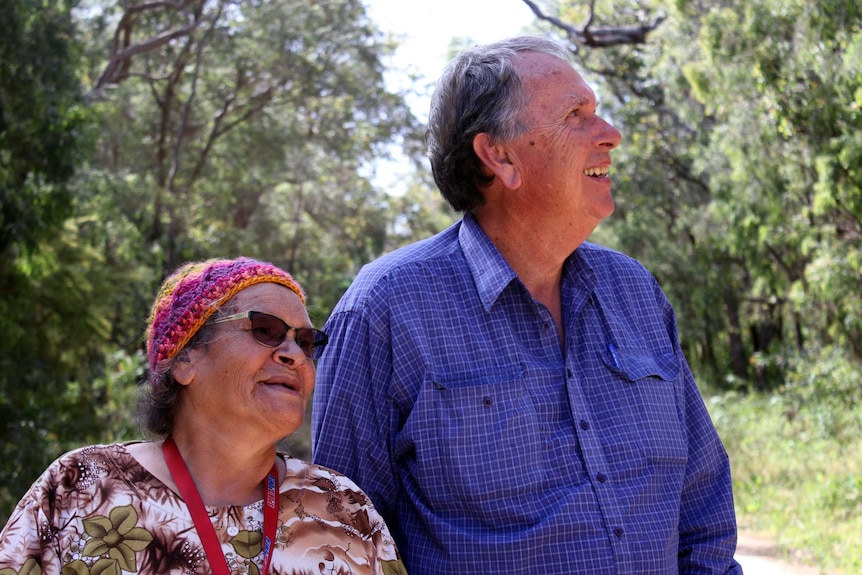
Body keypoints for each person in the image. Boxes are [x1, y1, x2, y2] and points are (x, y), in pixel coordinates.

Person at [311, 35, 742, 574]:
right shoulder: (385, 310)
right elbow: (345, 547)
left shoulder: (634, 292)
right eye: (576, 114)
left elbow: (702, 505)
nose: (611, 134)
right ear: (499, 156)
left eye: (598, 111)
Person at [0, 257, 406, 575]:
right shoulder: (81, 487)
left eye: (304, 341)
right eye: (265, 329)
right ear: (185, 358)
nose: (295, 355)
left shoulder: (343, 508)